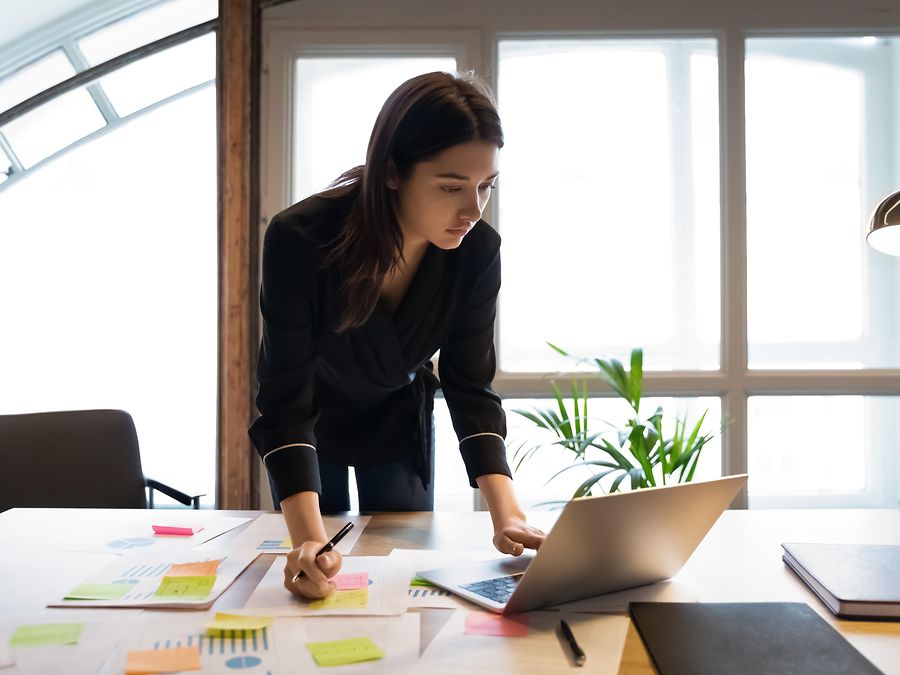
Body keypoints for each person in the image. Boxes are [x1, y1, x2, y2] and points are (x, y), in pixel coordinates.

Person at [249, 71, 545, 600]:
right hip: (310, 420)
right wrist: (309, 549)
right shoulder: (300, 238)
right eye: (451, 186)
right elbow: (285, 399)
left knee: (400, 573)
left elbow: (470, 385)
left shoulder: (478, 252)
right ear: (391, 173)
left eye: (486, 186)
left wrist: (508, 515)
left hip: (397, 414)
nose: (473, 210)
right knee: (319, 567)